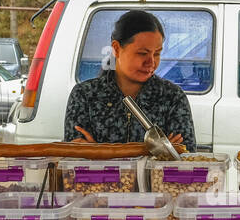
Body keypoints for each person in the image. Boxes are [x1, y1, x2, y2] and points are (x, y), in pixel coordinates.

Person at [63, 10, 197, 150]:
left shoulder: (172, 98)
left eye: (157, 53)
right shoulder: (85, 96)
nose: (151, 62)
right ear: (116, 48)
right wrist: (156, 151)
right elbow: (75, 156)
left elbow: (185, 158)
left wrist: (100, 151)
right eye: (142, 53)